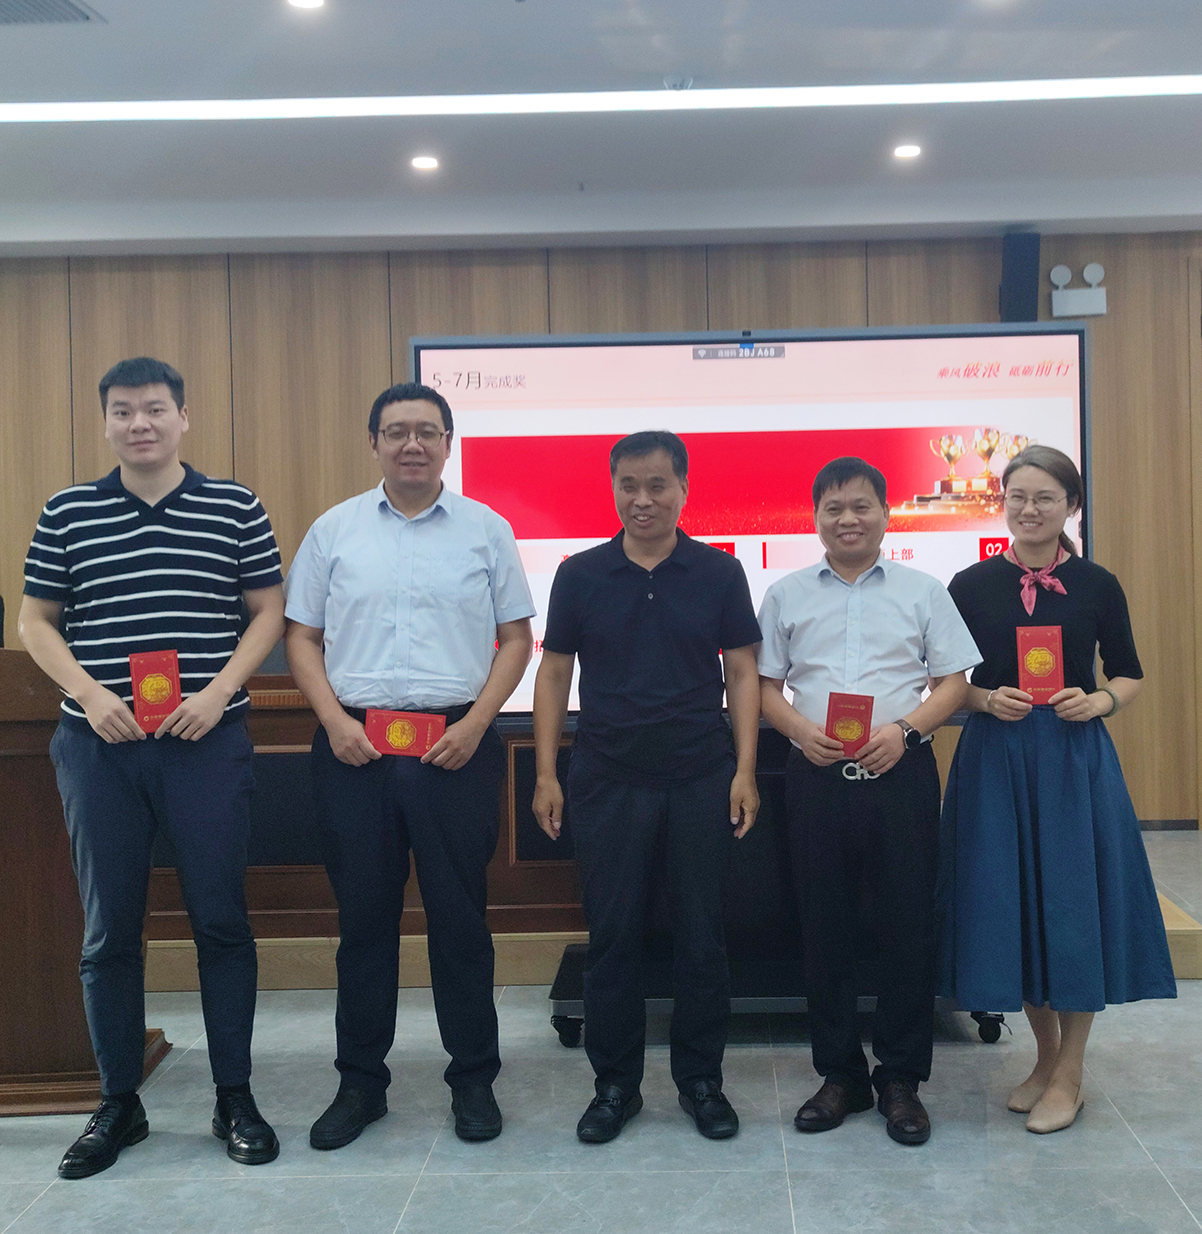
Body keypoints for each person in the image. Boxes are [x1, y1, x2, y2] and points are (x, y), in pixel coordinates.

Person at [19, 356, 285, 1178]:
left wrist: (219, 692)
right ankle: (118, 1103)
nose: (140, 423)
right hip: (99, 748)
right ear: (105, 422)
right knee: (109, 933)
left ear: (183, 418)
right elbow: (35, 621)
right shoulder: (67, 512)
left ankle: (233, 1096)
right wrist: (89, 694)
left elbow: (268, 610)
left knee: (221, 922)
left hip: (206, 745)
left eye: (156, 409)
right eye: (124, 411)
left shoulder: (234, 506)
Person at [284, 381, 534, 1149]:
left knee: (461, 921)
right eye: (397, 431)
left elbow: (517, 638)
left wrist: (477, 724)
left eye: (428, 431)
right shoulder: (334, 530)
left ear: (449, 443)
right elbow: (301, 637)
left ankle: (474, 1081)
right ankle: (361, 1084)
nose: (413, 444)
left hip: (454, 745)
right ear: (374, 444)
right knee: (363, 924)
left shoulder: (486, 529)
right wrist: (334, 722)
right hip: (353, 747)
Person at [532, 430, 762, 1144]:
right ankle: (615, 1086)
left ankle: (702, 1082)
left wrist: (745, 769)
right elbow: (554, 671)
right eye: (628, 485)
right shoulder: (580, 574)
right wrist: (546, 771)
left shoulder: (719, 572)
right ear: (613, 489)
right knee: (612, 937)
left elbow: (743, 672)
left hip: (700, 774)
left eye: (657, 485)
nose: (642, 499)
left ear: (684, 489)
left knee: (702, 937)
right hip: (607, 777)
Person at [937, 444, 1175, 1133]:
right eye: (1018, 496)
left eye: (1045, 497)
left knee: (1073, 909)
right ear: (1003, 503)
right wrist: (983, 700)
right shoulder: (970, 584)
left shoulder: (1098, 584)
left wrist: (1099, 702)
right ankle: (1044, 1060)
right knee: (1013, 908)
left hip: (1072, 760)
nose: (1030, 509)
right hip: (996, 760)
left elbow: (1128, 672)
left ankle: (1070, 1071)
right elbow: (946, 681)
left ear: (1071, 505)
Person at [757, 456, 980, 1146]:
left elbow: (954, 680)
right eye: (833, 508)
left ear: (885, 514)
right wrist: (799, 732)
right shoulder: (786, 594)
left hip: (901, 774)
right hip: (816, 778)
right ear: (815, 518)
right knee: (823, 927)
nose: (847, 519)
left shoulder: (923, 590)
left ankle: (901, 1079)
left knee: (906, 926)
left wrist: (905, 732)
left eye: (861, 506)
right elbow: (763, 686)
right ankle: (839, 1074)